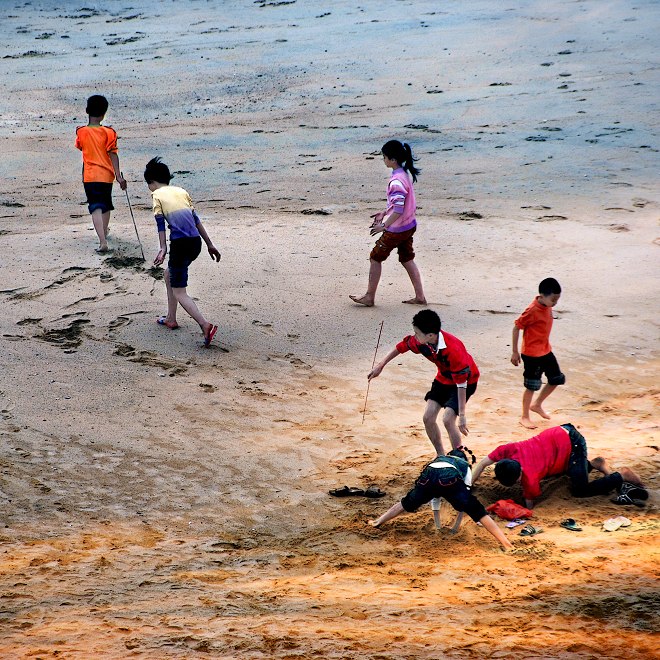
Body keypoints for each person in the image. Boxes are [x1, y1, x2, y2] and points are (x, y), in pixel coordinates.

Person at [368, 309, 479, 455]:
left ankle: (459, 457)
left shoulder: (454, 349)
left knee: (448, 419)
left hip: (465, 382)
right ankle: (440, 455)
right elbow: (401, 347)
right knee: (428, 417)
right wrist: (380, 365)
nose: (415, 336)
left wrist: (463, 416)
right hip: (443, 378)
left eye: (417, 333)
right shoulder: (421, 341)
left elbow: (461, 384)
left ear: (430, 335)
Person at [471, 423, 646, 509]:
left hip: (572, 444)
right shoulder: (508, 449)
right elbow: (482, 463)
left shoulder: (529, 477)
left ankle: (621, 476)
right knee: (565, 472)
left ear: (520, 473)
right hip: (560, 433)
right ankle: (596, 464)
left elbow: (529, 506)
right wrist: (468, 484)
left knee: (580, 489)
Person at [369, 448, 513, 550]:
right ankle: (506, 543)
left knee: (407, 502)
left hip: (428, 475)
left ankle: (378, 521)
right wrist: (464, 514)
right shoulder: (464, 465)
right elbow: (467, 491)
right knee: (477, 510)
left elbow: (435, 498)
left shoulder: (440, 457)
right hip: (449, 477)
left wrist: (438, 520)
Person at [144, 157, 220, 347]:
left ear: (152, 182)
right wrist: (210, 244)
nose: (150, 189)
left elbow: (160, 223)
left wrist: (163, 248)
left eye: (149, 185)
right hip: (195, 243)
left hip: (180, 244)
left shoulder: (157, 196)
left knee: (180, 291)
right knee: (169, 274)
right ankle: (171, 318)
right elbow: (196, 220)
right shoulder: (181, 191)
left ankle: (205, 325)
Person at [350, 140, 426, 307]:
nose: (383, 160)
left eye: (384, 157)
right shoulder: (404, 174)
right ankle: (420, 297)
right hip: (410, 225)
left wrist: (383, 226)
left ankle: (369, 297)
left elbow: (398, 209)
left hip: (397, 229)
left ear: (392, 159)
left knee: (375, 258)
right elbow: (400, 205)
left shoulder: (396, 182)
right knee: (407, 259)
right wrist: (384, 212)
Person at [75, 94, 127, 253]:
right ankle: (104, 231)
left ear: (86, 111)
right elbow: (113, 154)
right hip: (106, 175)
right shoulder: (110, 132)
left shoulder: (81, 132)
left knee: (95, 207)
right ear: (104, 113)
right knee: (105, 205)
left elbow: (80, 146)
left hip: (90, 176)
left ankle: (102, 240)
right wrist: (119, 176)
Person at [511, 277, 565, 429]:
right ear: (542, 296)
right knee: (531, 386)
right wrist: (515, 352)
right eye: (553, 299)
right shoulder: (532, 311)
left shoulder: (547, 305)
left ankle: (537, 404)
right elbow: (516, 327)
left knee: (557, 378)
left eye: (557, 300)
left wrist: (551, 303)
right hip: (532, 354)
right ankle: (524, 416)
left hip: (545, 350)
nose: (555, 303)